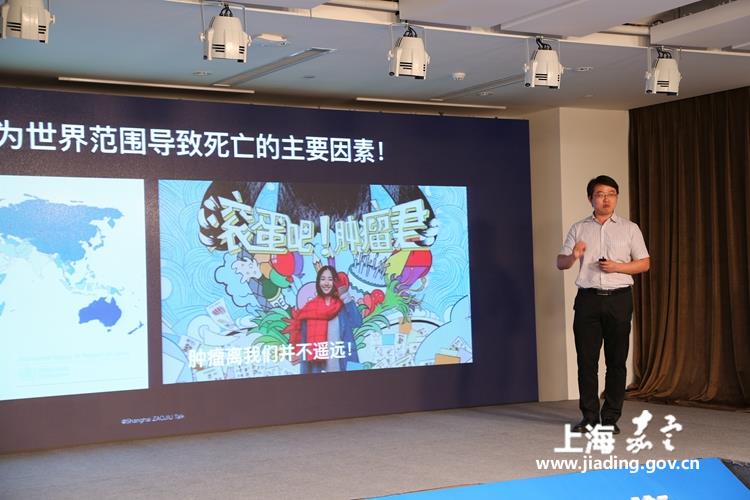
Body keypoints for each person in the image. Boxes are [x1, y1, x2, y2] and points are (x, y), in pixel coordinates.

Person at [557, 175, 650, 434]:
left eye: (611, 194)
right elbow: (560, 263)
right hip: (587, 300)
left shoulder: (630, 228)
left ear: (616, 197)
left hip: (619, 299)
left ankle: (610, 419)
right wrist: (573, 255)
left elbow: (644, 263)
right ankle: (589, 418)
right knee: (587, 361)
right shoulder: (578, 228)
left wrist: (617, 267)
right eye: (600, 194)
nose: (606, 199)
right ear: (591, 199)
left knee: (616, 361)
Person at [284, 265, 362, 374]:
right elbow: (304, 345)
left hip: (346, 368)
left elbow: (357, 322)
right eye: (323, 279)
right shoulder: (310, 309)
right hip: (319, 373)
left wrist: (345, 296)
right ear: (318, 282)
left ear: (334, 282)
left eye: (330, 279)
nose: (326, 283)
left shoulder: (342, 307)